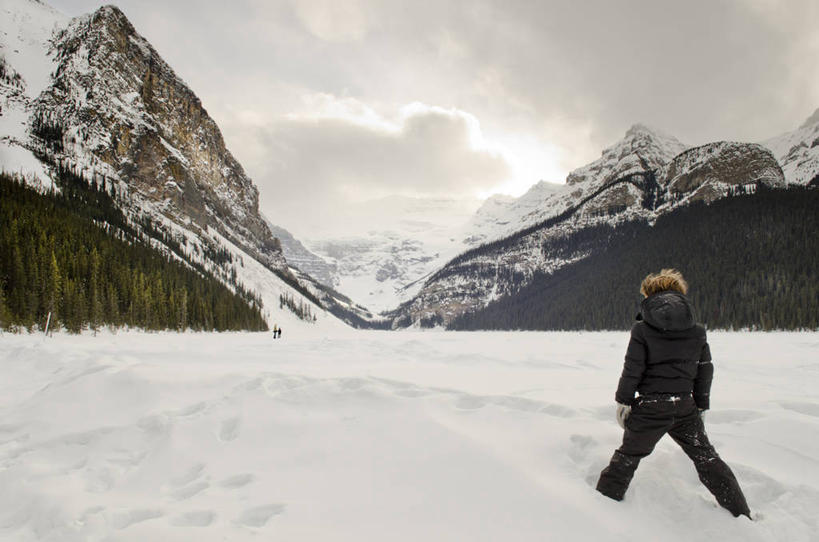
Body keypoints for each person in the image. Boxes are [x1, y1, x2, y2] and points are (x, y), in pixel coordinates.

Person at [595, 269, 751, 518]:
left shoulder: (642, 330)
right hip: (684, 407)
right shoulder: (697, 330)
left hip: (650, 408)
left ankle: (597, 510)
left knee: (627, 457)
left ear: (648, 294)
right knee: (707, 457)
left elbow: (632, 368)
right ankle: (741, 514)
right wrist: (700, 406)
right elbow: (704, 371)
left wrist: (623, 401)